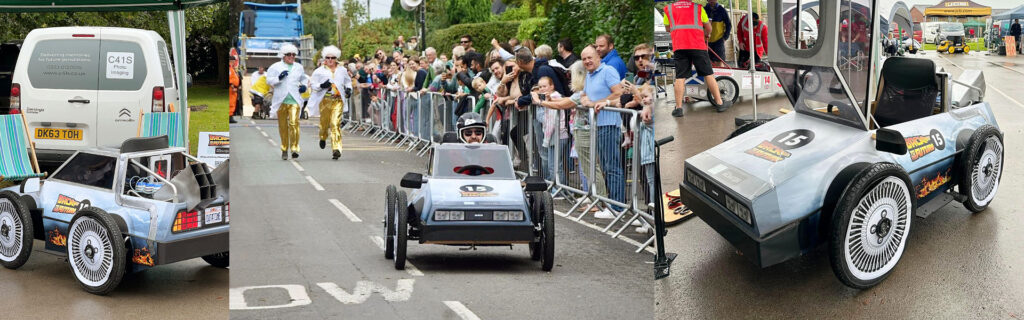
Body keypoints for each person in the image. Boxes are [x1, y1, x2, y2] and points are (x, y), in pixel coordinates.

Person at [580, 45, 626, 217]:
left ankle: (617, 208)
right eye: (584, 59)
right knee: (606, 166)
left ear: (598, 56)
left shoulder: (608, 71)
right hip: (597, 126)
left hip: (608, 124)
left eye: (590, 57)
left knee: (612, 166)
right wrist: (585, 99)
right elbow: (584, 95)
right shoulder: (589, 75)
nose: (587, 61)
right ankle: (612, 205)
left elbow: (619, 93)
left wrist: (594, 103)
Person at [664, 0, 729, 116]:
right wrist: (706, 34)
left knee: (680, 77)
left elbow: (668, 28)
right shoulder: (698, 8)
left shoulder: (668, 9)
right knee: (708, 74)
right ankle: (719, 103)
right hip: (697, 45)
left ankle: (678, 108)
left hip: (679, 46)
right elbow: (708, 28)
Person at [266, 43, 310, 160]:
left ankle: (295, 148)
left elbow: (304, 79)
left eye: (293, 55)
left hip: (294, 99)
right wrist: (279, 78)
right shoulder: (275, 67)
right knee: (283, 126)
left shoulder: (298, 67)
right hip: (281, 100)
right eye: (288, 55)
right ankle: (284, 148)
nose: (291, 56)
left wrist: (304, 86)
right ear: (283, 56)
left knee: (294, 123)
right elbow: (268, 80)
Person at [309, 45, 352, 160]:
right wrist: (321, 85)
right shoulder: (319, 71)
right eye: (327, 58)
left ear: (336, 58)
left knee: (335, 124)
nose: (330, 60)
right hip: (325, 100)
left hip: (337, 100)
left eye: (332, 58)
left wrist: (348, 89)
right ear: (324, 58)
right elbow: (313, 84)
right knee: (324, 124)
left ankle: (336, 148)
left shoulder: (342, 70)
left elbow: (348, 82)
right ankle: (322, 137)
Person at [704, 0, 731, 67]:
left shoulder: (721, 10)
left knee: (719, 60)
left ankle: (720, 76)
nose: (711, 1)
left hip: (718, 40)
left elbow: (728, 25)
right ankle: (710, 76)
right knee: (707, 61)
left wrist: (725, 37)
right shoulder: (704, 10)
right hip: (706, 40)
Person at [229, 55, 240, 123]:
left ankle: (230, 116)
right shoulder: (230, 69)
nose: (234, 63)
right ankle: (230, 117)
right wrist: (233, 86)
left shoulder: (232, 68)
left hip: (233, 88)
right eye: (233, 61)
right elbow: (230, 79)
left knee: (232, 102)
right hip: (231, 88)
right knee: (231, 102)